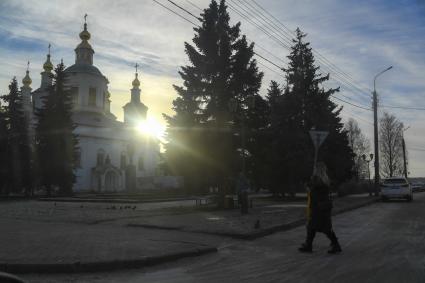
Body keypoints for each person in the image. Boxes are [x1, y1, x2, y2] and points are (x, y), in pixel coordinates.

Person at [298, 162, 342, 254]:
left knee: (324, 228)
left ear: (317, 170)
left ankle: (336, 245)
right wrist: (310, 186)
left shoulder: (318, 180)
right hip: (322, 207)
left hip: (319, 208)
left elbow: (315, 193)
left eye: (315, 169)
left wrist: (309, 188)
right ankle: (308, 245)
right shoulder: (324, 180)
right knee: (312, 227)